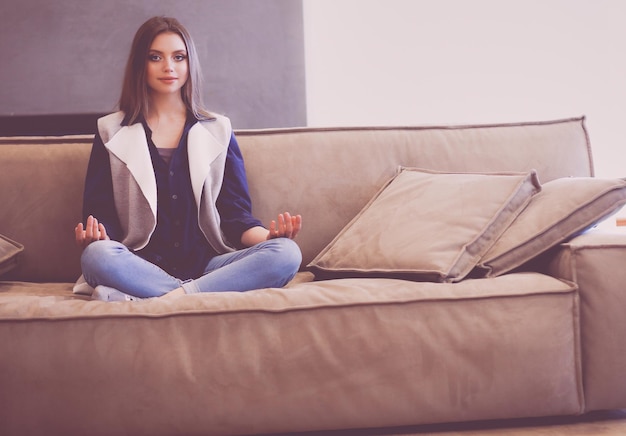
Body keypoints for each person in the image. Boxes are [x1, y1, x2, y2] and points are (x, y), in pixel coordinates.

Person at [74, 16, 302, 301]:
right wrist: (95, 238)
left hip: (210, 267)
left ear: (189, 63)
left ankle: (158, 298)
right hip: (140, 266)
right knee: (97, 256)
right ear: (139, 65)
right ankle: (191, 296)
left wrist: (269, 238)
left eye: (178, 57)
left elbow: (235, 216)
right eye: (155, 57)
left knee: (286, 253)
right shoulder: (109, 130)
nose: (169, 66)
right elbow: (100, 217)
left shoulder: (218, 129)